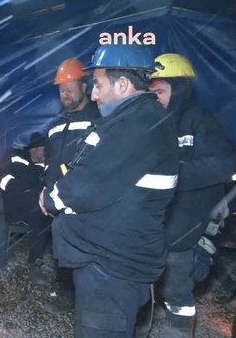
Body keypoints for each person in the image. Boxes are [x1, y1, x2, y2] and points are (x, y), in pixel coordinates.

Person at [39, 44, 180, 338]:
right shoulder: (138, 119)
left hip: (112, 267)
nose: (94, 94)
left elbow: (86, 184)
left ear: (123, 84)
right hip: (115, 261)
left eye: (99, 85)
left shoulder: (138, 125)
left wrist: (51, 198)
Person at [134, 53, 235, 337]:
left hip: (186, 224)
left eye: (161, 92)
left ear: (179, 89)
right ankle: (139, 324)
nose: (155, 98)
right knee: (142, 284)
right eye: (151, 93)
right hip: (155, 222)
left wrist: (173, 173)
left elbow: (222, 165)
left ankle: (180, 329)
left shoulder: (199, 120)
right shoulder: (152, 125)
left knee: (177, 287)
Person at [43, 57, 100, 315]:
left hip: (91, 204)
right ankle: (67, 295)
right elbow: (51, 164)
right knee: (63, 251)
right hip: (62, 203)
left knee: (92, 255)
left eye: (70, 87)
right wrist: (48, 193)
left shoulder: (100, 119)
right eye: (61, 89)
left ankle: (91, 303)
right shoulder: (55, 126)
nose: (65, 93)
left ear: (84, 87)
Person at [0, 132, 50, 285]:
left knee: (44, 212)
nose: (44, 151)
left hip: (43, 206)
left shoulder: (49, 166)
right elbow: (4, 180)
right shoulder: (18, 161)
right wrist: (27, 190)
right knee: (38, 210)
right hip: (18, 206)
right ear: (33, 150)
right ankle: (35, 263)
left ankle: (42, 261)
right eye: (42, 148)